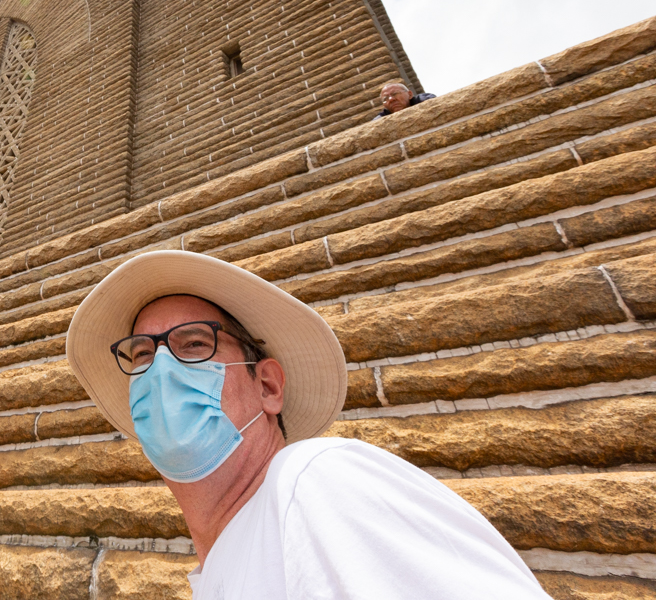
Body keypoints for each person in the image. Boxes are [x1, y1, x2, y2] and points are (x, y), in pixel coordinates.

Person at [67, 250, 550, 599]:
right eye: (145, 355)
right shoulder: (232, 556)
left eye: (194, 344)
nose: (162, 372)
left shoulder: (317, 479)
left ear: (268, 387)